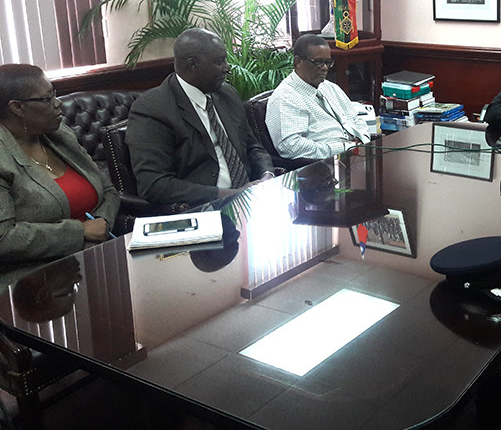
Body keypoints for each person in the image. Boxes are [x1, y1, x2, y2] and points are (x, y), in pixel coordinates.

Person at [127, 28, 273, 207]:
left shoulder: (227, 94)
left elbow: (252, 146)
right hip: (203, 207)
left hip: (252, 199)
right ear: (193, 65)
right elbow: (154, 185)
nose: (227, 68)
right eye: (219, 62)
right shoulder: (152, 108)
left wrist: (267, 175)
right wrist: (228, 195)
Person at [0, 64, 117, 282]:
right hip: (34, 280)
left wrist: (102, 223)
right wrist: (80, 232)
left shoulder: (60, 135)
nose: (58, 103)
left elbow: (108, 189)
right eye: (47, 99)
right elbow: (4, 239)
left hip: (98, 258)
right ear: (17, 107)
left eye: (54, 94)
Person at [266, 34, 370, 160]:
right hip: (323, 164)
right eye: (318, 62)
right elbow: (290, 147)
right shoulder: (286, 97)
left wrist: (363, 138)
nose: (325, 68)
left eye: (328, 62)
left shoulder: (329, 87)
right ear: (298, 62)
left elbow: (355, 118)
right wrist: (343, 147)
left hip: (355, 154)